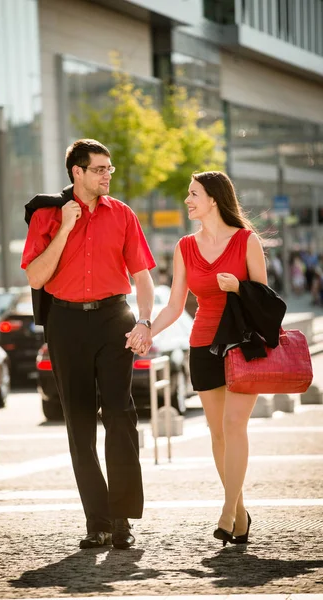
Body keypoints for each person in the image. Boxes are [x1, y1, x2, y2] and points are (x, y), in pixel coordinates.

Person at [21, 139, 155, 550]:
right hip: (64, 323)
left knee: (120, 415)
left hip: (115, 319)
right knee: (79, 425)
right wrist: (64, 227)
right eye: (99, 169)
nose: (107, 175)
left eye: (109, 169)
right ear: (77, 172)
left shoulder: (124, 214)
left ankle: (122, 520)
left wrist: (146, 322)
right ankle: (96, 522)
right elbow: (36, 278)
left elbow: (144, 277)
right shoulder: (47, 216)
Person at [126, 171, 268, 546]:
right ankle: (240, 512)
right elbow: (174, 306)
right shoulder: (185, 246)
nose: (187, 201)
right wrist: (147, 331)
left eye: (193, 194)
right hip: (203, 345)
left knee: (235, 425)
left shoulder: (246, 241)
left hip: (242, 345)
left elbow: (266, 302)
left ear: (214, 200)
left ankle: (225, 510)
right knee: (218, 432)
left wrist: (238, 287)